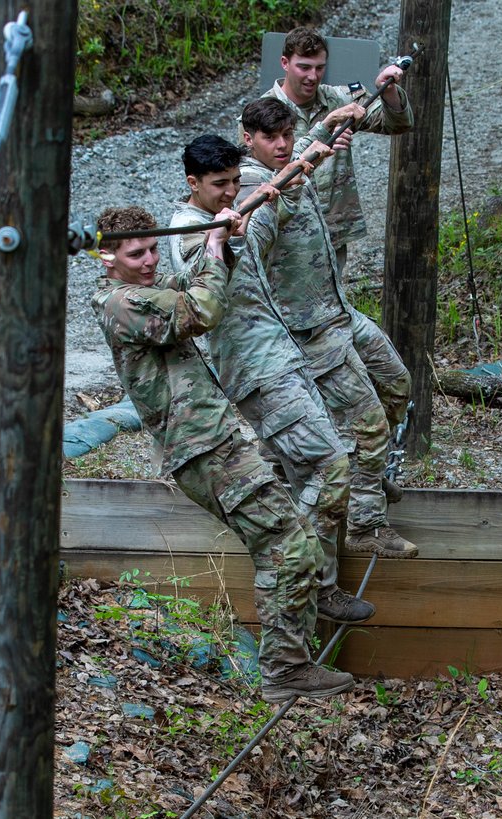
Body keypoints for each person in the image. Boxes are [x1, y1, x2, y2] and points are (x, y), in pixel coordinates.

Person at [90, 205, 352, 704]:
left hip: (216, 441)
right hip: (202, 450)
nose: (148, 261)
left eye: (150, 249)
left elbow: (194, 285)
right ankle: (285, 669)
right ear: (107, 259)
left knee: (289, 540)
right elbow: (201, 311)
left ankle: (294, 647)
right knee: (286, 545)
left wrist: (225, 242)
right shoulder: (122, 304)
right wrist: (211, 244)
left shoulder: (146, 289)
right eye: (135, 253)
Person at [167, 134, 374, 625]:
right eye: (220, 184)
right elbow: (202, 296)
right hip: (257, 371)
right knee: (331, 466)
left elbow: (258, 240)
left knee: (308, 470)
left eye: (237, 182)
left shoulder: (230, 215)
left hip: (283, 357)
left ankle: (315, 585)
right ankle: (300, 572)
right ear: (192, 183)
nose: (231, 192)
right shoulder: (186, 230)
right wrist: (220, 238)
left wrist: (286, 187)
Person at [238, 98, 417, 560]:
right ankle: (366, 524)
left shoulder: (291, 159)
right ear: (247, 139)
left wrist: (326, 124)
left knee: (397, 384)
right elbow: (255, 220)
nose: (281, 146)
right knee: (368, 426)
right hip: (307, 330)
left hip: (337, 311)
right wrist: (294, 175)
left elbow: (300, 149)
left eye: (285, 136)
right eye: (269, 138)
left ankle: (368, 481)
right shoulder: (251, 185)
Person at [262, 26, 415, 473]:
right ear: (285, 64)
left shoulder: (336, 97)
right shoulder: (266, 114)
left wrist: (387, 89)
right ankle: (292, 442)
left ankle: (346, 440)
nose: (311, 77)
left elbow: (397, 124)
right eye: (303, 67)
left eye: (319, 67)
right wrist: (321, 135)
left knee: (332, 332)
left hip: (331, 234)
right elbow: (260, 176)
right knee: (295, 340)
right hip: (286, 242)